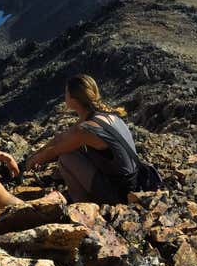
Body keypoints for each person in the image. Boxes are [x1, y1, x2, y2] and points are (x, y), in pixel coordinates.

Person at [25, 74, 138, 204]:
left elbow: (56, 150)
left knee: (66, 159)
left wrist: (33, 161)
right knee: (77, 150)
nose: (64, 96)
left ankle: (82, 204)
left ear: (73, 99)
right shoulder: (106, 115)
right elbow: (61, 138)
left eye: (66, 93)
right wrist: (35, 155)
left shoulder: (86, 130)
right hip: (130, 183)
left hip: (120, 193)